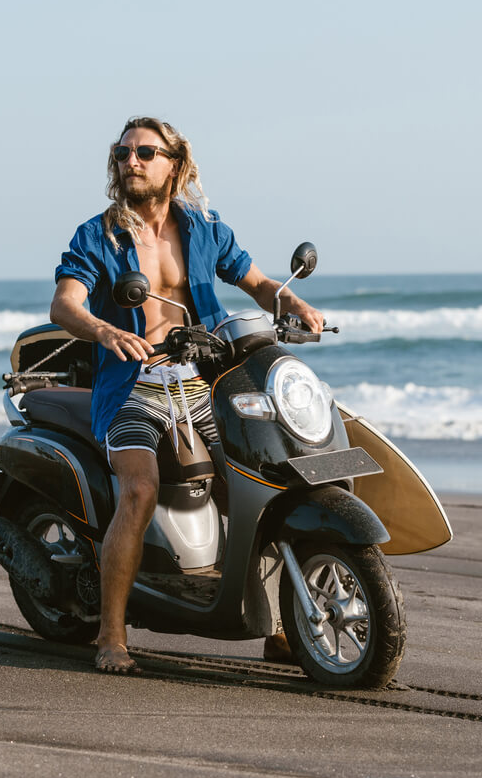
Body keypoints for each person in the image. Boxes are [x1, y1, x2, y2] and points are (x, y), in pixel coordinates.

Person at [50, 116, 323, 673]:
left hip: (204, 381)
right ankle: (111, 635)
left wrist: (290, 304)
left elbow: (257, 282)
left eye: (146, 153)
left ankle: (276, 624)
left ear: (175, 163)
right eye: (123, 153)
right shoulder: (97, 235)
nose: (132, 162)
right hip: (134, 388)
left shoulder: (203, 228)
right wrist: (105, 331)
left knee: (263, 474)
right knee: (140, 489)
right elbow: (65, 305)